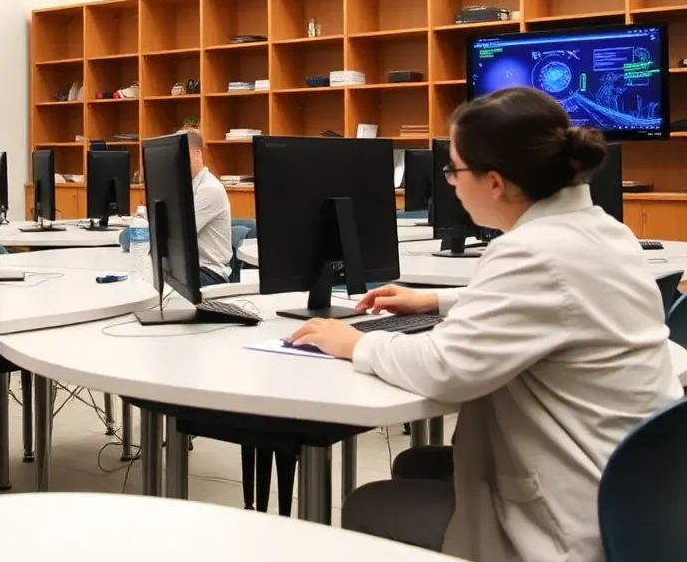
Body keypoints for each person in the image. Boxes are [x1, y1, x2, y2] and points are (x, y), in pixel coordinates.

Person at [288, 86, 681, 562]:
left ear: (494, 182)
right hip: (635, 492)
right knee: (416, 462)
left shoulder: (529, 252)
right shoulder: (601, 230)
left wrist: (353, 343)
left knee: (369, 504)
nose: (450, 181)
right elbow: (557, 304)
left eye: (453, 169)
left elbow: (445, 368)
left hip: (571, 519)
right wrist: (436, 300)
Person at [179, 128, 232, 285]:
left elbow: (179, 234)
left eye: (181, 155)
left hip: (210, 273)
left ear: (197, 154)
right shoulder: (186, 186)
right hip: (189, 267)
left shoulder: (209, 189)